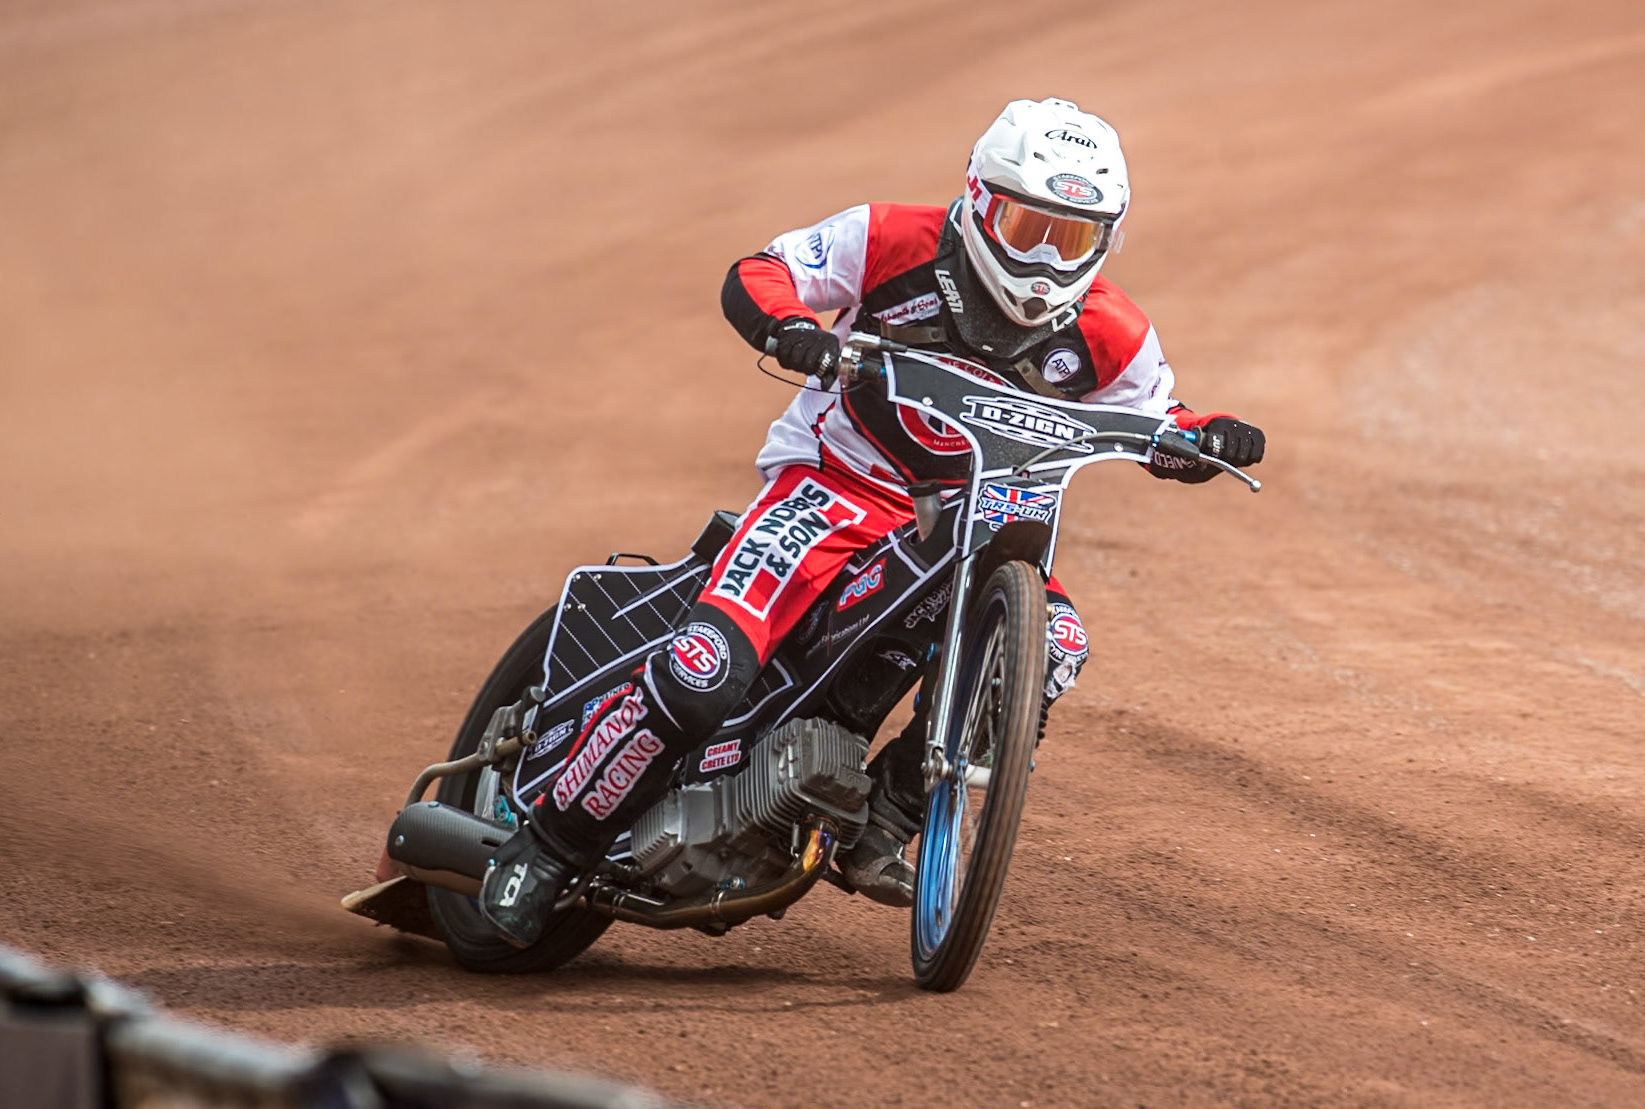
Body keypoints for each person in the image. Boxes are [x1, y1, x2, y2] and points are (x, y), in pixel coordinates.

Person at [478, 97, 1266, 946]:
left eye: (1069, 237)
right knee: (705, 670)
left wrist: (1207, 438)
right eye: (1025, 224)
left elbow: (1162, 420)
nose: (1043, 258)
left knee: (1057, 647)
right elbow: (763, 269)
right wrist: (789, 327)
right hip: (832, 488)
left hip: (988, 517)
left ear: (1105, 241)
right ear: (977, 198)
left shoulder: (1114, 329)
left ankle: (888, 815)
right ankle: (548, 846)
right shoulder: (893, 237)